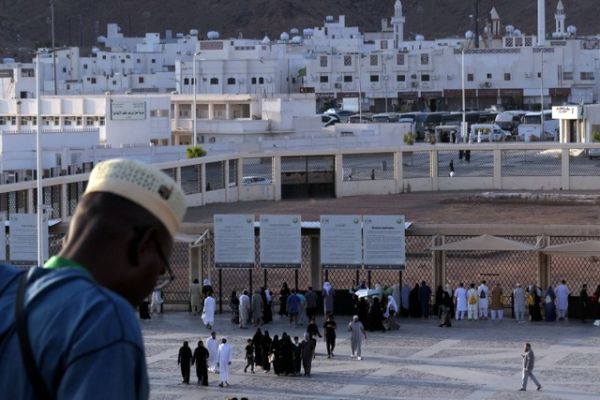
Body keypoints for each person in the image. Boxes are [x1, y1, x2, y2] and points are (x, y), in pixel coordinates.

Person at [0, 158, 186, 399]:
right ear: (145, 245)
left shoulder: (5, 286)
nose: (153, 284)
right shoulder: (103, 317)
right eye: (161, 269)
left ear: (70, 236)